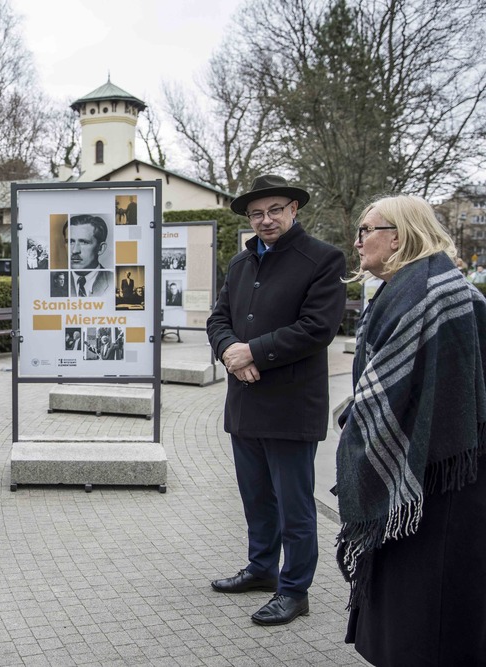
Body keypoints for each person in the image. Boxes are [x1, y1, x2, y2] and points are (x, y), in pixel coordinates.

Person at [336, 195, 486, 664]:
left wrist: (362, 421)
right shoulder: (414, 284)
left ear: (398, 236)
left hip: (438, 475)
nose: (358, 241)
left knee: (429, 604)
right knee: (411, 596)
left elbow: (416, 393)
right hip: (423, 469)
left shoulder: (432, 292)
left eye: (367, 230)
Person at [206, 174, 346, 626]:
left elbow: (317, 327)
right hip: (244, 402)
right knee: (256, 498)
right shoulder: (240, 263)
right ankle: (262, 568)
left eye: (274, 210)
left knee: (295, 507)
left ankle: (294, 589)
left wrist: (254, 351)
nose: (266, 220)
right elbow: (218, 318)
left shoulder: (323, 259)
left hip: (290, 406)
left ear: (293, 210)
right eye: (257, 213)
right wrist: (230, 351)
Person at [64, 214, 112, 296]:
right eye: (70, 242)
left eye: (83, 242)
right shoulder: (56, 282)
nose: (75, 250)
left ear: (100, 248)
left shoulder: (114, 282)